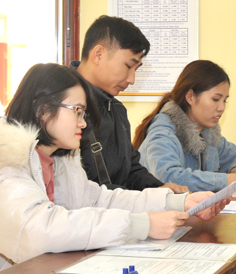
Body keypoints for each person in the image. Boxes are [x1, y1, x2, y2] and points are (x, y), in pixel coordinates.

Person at [0, 63, 227, 274]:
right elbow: (39, 230)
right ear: (42, 109)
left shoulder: (57, 158)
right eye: (78, 112)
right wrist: (140, 225)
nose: (83, 123)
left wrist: (177, 202)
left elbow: (99, 198)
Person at [71, 15, 187, 192]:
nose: (132, 80)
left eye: (136, 69)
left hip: (119, 206)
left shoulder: (116, 109)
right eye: (128, 66)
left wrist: (161, 189)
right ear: (98, 54)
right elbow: (78, 189)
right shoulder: (63, 106)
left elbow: (131, 169)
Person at [133, 60, 236, 192]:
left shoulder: (207, 133)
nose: (221, 108)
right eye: (215, 99)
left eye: (225, 101)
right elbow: (170, 178)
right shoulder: (163, 133)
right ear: (190, 97)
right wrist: (233, 180)